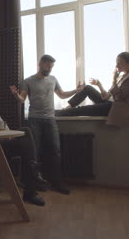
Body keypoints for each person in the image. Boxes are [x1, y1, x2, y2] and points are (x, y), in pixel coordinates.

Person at [9, 54, 85, 195]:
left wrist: (76, 90)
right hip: (34, 120)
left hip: (50, 119)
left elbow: (61, 95)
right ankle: (34, 182)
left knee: (55, 151)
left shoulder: (53, 79)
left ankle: (56, 183)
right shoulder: (28, 81)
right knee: (34, 152)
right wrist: (15, 95)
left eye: (51, 66)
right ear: (40, 64)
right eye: (48, 66)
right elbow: (22, 99)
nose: (50, 68)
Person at [55, 52, 129, 127]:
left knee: (82, 109)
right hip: (110, 103)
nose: (116, 66)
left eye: (119, 63)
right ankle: (66, 109)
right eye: (116, 63)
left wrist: (114, 79)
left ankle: (58, 113)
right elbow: (106, 96)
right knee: (87, 88)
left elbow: (119, 96)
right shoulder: (122, 76)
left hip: (114, 108)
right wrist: (99, 85)